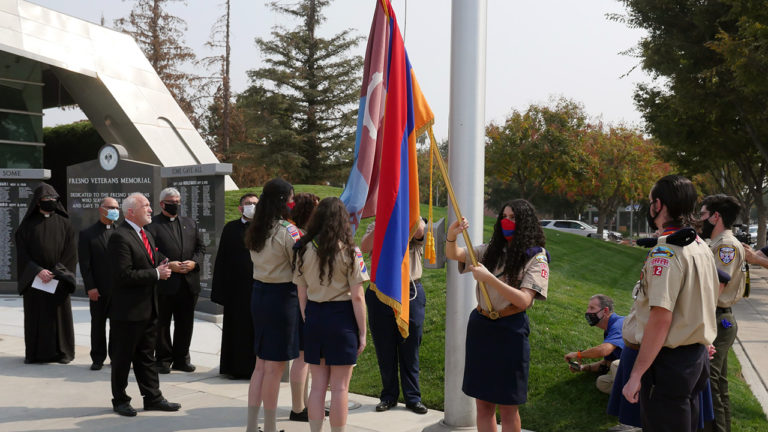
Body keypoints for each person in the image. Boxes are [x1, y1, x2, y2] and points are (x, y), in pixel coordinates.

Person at [621, 175, 719, 432]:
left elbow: (660, 318)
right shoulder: (700, 245)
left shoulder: (666, 252)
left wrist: (635, 374)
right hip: (695, 358)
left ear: (658, 204)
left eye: (651, 200)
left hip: (668, 364)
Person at [445, 199, 550, 432]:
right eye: (504, 216)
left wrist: (489, 279)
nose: (506, 221)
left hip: (510, 329)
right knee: (483, 404)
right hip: (482, 326)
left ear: (525, 222)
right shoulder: (493, 248)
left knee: (508, 407)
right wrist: (452, 235)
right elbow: (455, 254)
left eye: (513, 217)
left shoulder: (536, 256)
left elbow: (524, 301)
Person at [292, 197, 369, 432]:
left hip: (315, 316)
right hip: (342, 318)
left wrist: (308, 318)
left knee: (317, 387)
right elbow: (357, 297)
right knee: (340, 388)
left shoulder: (303, 249)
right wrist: (363, 333)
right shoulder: (351, 252)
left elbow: (301, 293)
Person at [107, 193, 180, 417]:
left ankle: (153, 397)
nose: (150, 209)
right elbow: (123, 275)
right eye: (146, 206)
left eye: (149, 206)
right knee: (122, 359)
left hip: (148, 309)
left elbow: (150, 260)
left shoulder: (146, 234)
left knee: (147, 357)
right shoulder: (120, 237)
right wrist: (156, 273)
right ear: (131, 212)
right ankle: (120, 399)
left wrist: (164, 264)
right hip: (127, 311)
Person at [244, 178, 300, 432]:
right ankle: (268, 427)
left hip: (259, 294)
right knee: (275, 368)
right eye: (291, 197)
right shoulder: (288, 231)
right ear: (283, 201)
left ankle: (251, 425)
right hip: (282, 298)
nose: (293, 201)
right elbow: (300, 267)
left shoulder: (256, 227)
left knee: (260, 366)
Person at [360, 218, 428, 414]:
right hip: (380, 290)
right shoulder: (377, 222)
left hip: (410, 291)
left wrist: (407, 214)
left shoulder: (415, 218)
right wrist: (385, 221)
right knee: (385, 348)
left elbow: (420, 233)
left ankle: (413, 397)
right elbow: (365, 246)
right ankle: (389, 396)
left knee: (410, 347)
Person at [698, 194, 747, 432]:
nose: (701, 219)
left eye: (703, 214)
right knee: (717, 383)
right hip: (717, 316)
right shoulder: (716, 244)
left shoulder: (725, 245)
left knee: (710, 382)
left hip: (718, 318)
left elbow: (717, 285)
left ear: (716, 216)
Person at [14, 183, 76, 364]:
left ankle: (62, 352)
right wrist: (38, 271)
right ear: (38, 202)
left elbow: (70, 252)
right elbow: (22, 254)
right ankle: (37, 354)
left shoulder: (65, 224)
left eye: (53, 199)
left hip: (59, 279)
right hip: (36, 280)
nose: (50, 202)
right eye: (46, 199)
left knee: (59, 316)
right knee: (37, 317)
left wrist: (57, 272)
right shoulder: (26, 227)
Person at [145, 187, 205, 374]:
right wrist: (168, 263)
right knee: (162, 323)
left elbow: (201, 248)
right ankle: (163, 359)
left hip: (188, 282)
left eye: (178, 202)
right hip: (166, 282)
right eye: (172, 202)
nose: (175, 205)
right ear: (162, 204)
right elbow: (150, 249)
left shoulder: (190, 223)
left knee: (185, 323)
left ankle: (182, 359)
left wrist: (194, 263)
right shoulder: (151, 225)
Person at [211, 193, 259, 379]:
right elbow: (222, 259)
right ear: (241, 208)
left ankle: (257, 368)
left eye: (255, 203)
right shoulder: (230, 228)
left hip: (258, 288)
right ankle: (235, 368)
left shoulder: (265, 228)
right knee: (236, 329)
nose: (252, 206)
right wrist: (220, 291)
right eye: (248, 204)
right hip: (236, 290)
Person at [286, 191, 320, 422]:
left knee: (304, 357)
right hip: (297, 297)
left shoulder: (295, 231)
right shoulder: (297, 234)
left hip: (294, 296)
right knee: (301, 357)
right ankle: (298, 408)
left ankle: (305, 404)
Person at [78, 196, 120, 370]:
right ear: (101, 209)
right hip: (98, 289)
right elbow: (85, 264)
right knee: (98, 324)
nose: (115, 210)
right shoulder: (87, 234)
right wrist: (91, 287)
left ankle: (116, 356)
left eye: (117, 207)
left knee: (117, 325)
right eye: (111, 207)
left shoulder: (121, 231)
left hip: (119, 289)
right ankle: (97, 357)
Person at [564, 294, 625, 394]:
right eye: (588, 308)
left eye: (592, 308)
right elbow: (606, 363)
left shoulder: (619, 324)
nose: (587, 312)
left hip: (643, 369)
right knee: (602, 382)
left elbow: (603, 350)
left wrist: (578, 354)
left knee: (615, 366)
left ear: (605, 311)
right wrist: (583, 367)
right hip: (627, 366)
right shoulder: (608, 330)